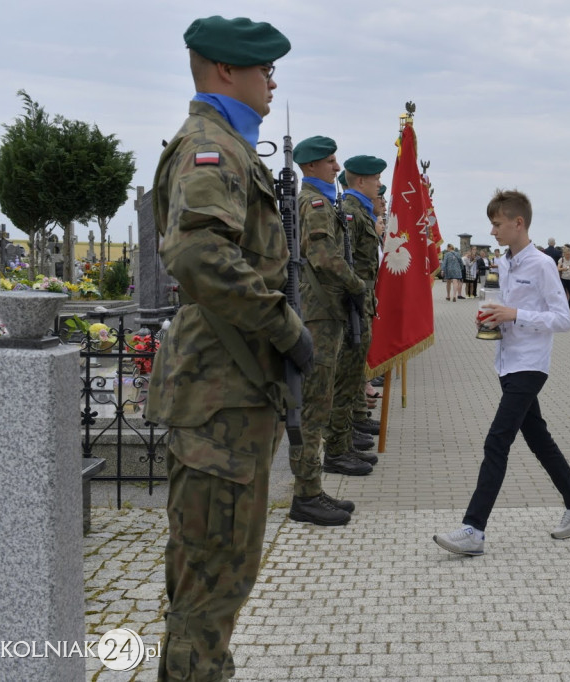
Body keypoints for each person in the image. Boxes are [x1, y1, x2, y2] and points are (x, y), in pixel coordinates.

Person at [146, 16, 308, 679]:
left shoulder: (230, 147)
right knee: (212, 580)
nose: (272, 79)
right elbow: (197, 252)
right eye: (262, 67)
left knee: (218, 575)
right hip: (220, 396)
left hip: (230, 394)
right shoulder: (209, 147)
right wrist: (286, 328)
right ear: (223, 72)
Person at [433, 190, 570, 555]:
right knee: (539, 439)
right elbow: (505, 307)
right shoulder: (503, 263)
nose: (492, 231)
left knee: (497, 441)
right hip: (505, 361)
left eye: (497, 223)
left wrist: (514, 315)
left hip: (530, 364)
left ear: (518, 223)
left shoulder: (542, 264)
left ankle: (474, 530)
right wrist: (492, 315)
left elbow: (563, 320)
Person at [290, 135, 367, 518]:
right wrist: (358, 286)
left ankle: (312, 488)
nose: (337, 169)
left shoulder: (321, 202)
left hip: (324, 310)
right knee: (315, 407)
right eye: (331, 162)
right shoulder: (316, 203)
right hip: (320, 312)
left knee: (319, 402)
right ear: (310, 167)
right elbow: (323, 257)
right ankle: (306, 495)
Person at [323, 155, 387, 475]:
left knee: (350, 379)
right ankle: (337, 449)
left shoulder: (360, 210)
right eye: (375, 179)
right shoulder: (350, 211)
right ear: (360, 181)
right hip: (351, 305)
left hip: (361, 304)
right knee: (345, 381)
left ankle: (345, 441)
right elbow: (342, 262)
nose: (379, 185)